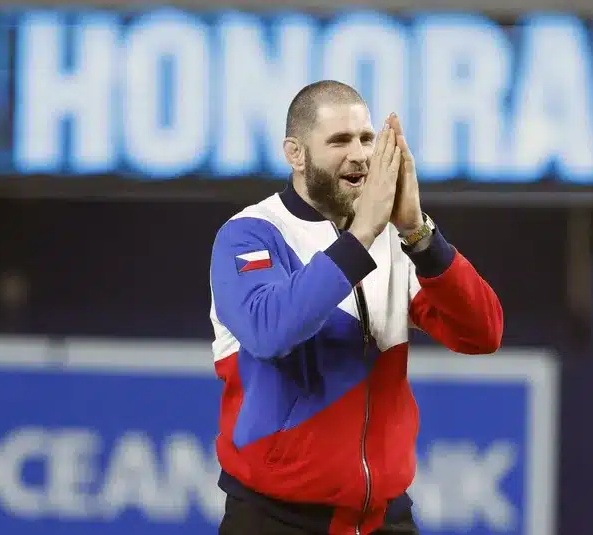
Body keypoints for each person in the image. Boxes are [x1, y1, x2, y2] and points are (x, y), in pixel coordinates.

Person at [208, 80, 503, 535]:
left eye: (367, 138)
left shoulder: (394, 240)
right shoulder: (250, 234)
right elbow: (269, 330)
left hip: (383, 517)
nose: (360, 154)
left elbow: (482, 333)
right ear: (296, 153)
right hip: (274, 519)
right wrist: (360, 236)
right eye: (340, 140)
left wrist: (419, 234)